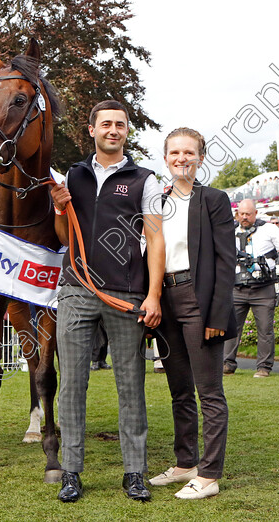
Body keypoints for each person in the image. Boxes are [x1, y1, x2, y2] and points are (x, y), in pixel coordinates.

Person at [49, 100, 163, 502]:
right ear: (92, 130)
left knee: (130, 385)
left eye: (120, 125)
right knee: (72, 385)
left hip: (126, 293)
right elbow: (64, 235)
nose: (113, 130)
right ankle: (71, 473)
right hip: (77, 289)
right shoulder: (73, 175)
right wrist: (61, 207)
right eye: (106, 124)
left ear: (126, 132)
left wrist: (153, 294)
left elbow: (154, 238)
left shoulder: (144, 178)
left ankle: (134, 472)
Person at [150, 127, 236, 500]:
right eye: (174, 153)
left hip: (198, 302)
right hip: (163, 299)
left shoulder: (214, 199)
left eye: (189, 152)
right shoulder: (157, 202)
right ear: (165, 159)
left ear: (200, 157)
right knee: (179, 391)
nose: (181, 159)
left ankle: (210, 474)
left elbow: (225, 262)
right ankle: (186, 463)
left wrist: (217, 316)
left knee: (209, 393)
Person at [223, 199, 279, 378]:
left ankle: (264, 367)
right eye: (241, 214)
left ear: (255, 213)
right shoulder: (229, 230)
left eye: (248, 214)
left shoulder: (269, 229)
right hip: (237, 288)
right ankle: (227, 363)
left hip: (263, 288)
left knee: (265, 329)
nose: (244, 217)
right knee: (231, 327)